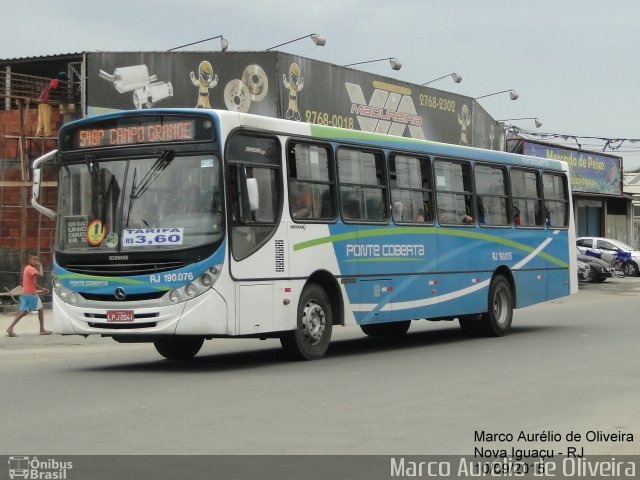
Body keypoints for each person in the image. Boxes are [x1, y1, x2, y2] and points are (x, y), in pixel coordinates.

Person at [6, 254, 51, 337]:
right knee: (40, 309)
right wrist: (40, 265)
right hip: (31, 294)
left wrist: (42, 288)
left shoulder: (27, 268)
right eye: (34, 259)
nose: (36, 261)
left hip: (26, 293)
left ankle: (10, 328)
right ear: (29, 260)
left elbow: (33, 282)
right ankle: (42, 330)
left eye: (37, 260)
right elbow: (41, 274)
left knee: (24, 312)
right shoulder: (30, 269)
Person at [35, 72, 67, 137]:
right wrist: (60, 97)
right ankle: (47, 133)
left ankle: (39, 133)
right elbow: (52, 90)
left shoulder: (54, 81)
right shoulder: (56, 81)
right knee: (47, 117)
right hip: (46, 100)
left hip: (41, 100)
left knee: (41, 118)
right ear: (62, 79)